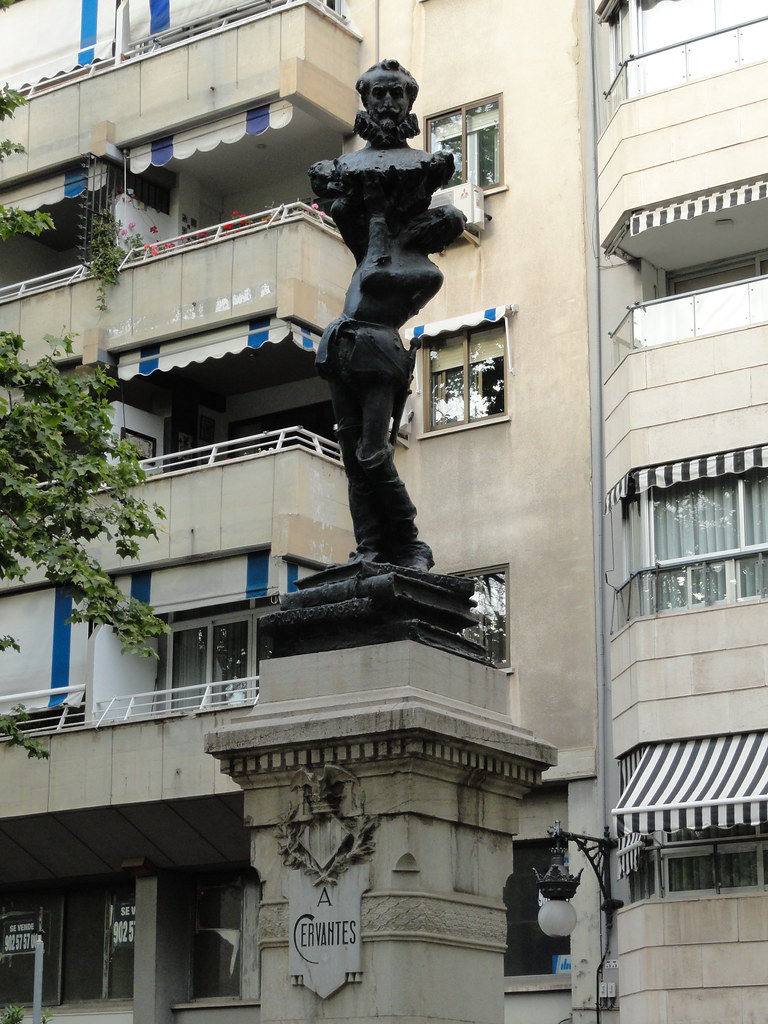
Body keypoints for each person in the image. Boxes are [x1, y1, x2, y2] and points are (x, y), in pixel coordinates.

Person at [309, 59, 465, 571]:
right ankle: (371, 546)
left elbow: (373, 278)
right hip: (342, 343)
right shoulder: (378, 239)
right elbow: (354, 238)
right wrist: (363, 210)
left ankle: (410, 542)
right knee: (353, 459)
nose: (387, 102)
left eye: (397, 93)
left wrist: (378, 214)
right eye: (379, 93)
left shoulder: (423, 273)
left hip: (377, 350)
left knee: (373, 454)